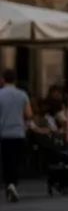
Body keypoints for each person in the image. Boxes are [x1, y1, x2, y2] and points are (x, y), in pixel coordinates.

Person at [0, 69, 33, 202]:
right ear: (15, 80)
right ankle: (13, 184)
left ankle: (9, 183)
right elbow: (29, 114)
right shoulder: (22, 94)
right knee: (16, 160)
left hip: (3, 133)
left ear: (3, 79)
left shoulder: (0, 94)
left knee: (6, 161)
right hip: (19, 132)